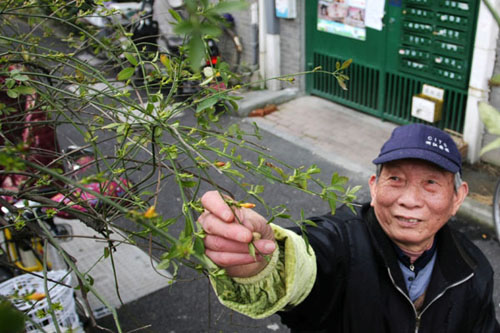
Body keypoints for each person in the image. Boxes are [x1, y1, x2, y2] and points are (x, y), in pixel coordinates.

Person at [198, 123, 500, 332]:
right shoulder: (344, 241)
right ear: (374, 187)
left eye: (431, 184)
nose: (410, 200)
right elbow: (307, 260)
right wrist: (265, 261)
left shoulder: (473, 269)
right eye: (395, 179)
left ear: (457, 197)